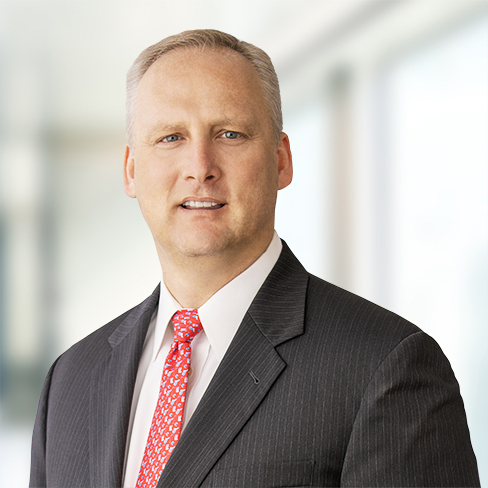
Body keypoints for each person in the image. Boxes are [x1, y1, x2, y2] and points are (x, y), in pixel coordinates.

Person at [30, 29, 480, 488]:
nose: (199, 165)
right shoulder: (71, 379)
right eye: (170, 137)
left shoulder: (385, 369)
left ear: (281, 159)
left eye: (230, 134)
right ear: (130, 169)